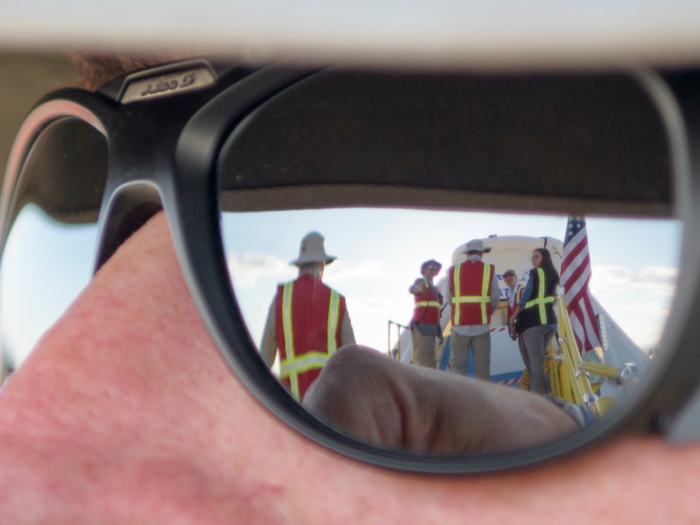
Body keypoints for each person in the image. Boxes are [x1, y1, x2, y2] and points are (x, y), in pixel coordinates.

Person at [2, 56, 700, 524]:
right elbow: (333, 351)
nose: (21, 412)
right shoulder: (352, 301)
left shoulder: (296, 302)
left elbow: (283, 352)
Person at [260, 231, 355, 401]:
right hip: (328, 407)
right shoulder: (335, 300)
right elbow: (352, 359)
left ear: (300, 266)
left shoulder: (281, 299)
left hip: (291, 408)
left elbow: (263, 360)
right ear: (321, 264)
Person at [444, 239, 500, 380]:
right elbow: (494, 298)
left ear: (467, 254)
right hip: (481, 325)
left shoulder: (453, 271)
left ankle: (460, 400)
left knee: (458, 369)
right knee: (482, 367)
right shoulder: (489, 270)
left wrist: (460, 310)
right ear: (481, 253)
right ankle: (484, 400)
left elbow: (449, 298)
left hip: (459, 326)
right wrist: (487, 312)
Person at [509, 248, 559, 395]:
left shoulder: (535, 273)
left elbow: (526, 297)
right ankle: (543, 392)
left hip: (533, 323)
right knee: (538, 360)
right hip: (550, 323)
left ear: (544, 258)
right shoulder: (554, 275)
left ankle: (540, 395)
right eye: (532, 257)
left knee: (535, 361)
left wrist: (513, 318)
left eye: (536, 257)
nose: (533, 260)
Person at [408, 259, 444, 368]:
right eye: (430, 268)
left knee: (429, 363)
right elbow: (413, 289)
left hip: (431, 329)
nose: (433, 270)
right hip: (421, 328)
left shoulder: (434, 289)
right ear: (424, 270)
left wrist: (439, 333)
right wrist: (413, 289)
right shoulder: (421, 283)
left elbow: (436, 314)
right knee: (426, 364)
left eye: (435, 268)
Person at [504, 268, 529, 374]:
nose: (509, 278)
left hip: (527, 329)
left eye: (511, 275)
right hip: (520, 331)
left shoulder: (522, 290)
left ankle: (537, 387)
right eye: (506, 277)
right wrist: (512, 329)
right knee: (526, 360)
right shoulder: (509, 294)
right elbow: (511, 312)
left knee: (530, 359)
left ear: (516, 277)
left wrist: (511, 321)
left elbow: (521, 307)